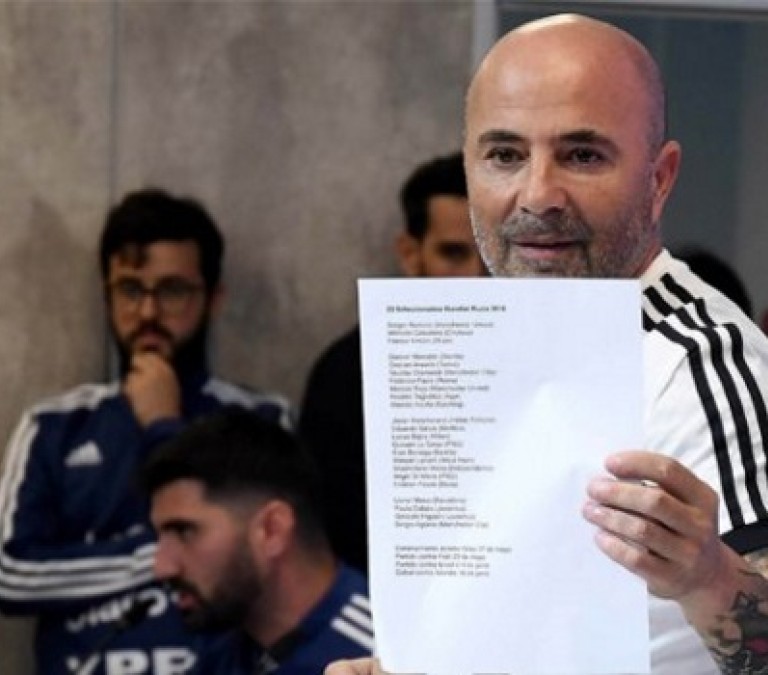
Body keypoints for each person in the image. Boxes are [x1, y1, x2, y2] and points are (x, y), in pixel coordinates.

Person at [329, 13, 768, 675]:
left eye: (582, 155)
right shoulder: (478, 350)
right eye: (505, 155)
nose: (538, 195)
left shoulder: (707, 365)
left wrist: (708, 576)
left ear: (660, 179)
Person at [0, 188, 291, 675]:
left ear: (213, 298)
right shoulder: (54, 425)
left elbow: (274, 561)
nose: (149, 313)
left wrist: (163, 425)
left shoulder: (261, 420)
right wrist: (156, 555)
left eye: (172, 290)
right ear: (107, 294)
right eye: (131, 290)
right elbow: (10, 574)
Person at [298, 151, 486, 576]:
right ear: (410, 253)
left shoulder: (543, 359)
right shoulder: (347, 375)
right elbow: (331, 533)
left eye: (491, 254)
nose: (476, 276)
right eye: (453, 254)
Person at [144, 409, 373, 674]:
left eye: (185, 532)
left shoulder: (383, 655)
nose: (162, 567)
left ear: (271, 529)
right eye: (160, 537)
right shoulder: (223, 655)